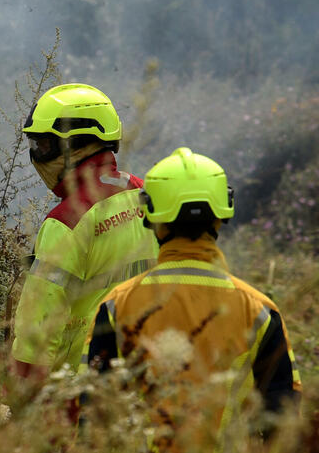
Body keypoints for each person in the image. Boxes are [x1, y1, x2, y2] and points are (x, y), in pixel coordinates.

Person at [83, 147, 301, 451]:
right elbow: (282, 419)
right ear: (222, 214)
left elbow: (93, 414)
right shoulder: (260, 310)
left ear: (151, 217)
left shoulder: (117, 305)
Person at [12, 83, 159, 380]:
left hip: (82, 389)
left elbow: (37, 330)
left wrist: (20, 396)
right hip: (150, 370)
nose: (37, 156)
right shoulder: (146, 192)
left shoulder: (65, 221)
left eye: (44, 146)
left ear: (76, 144)